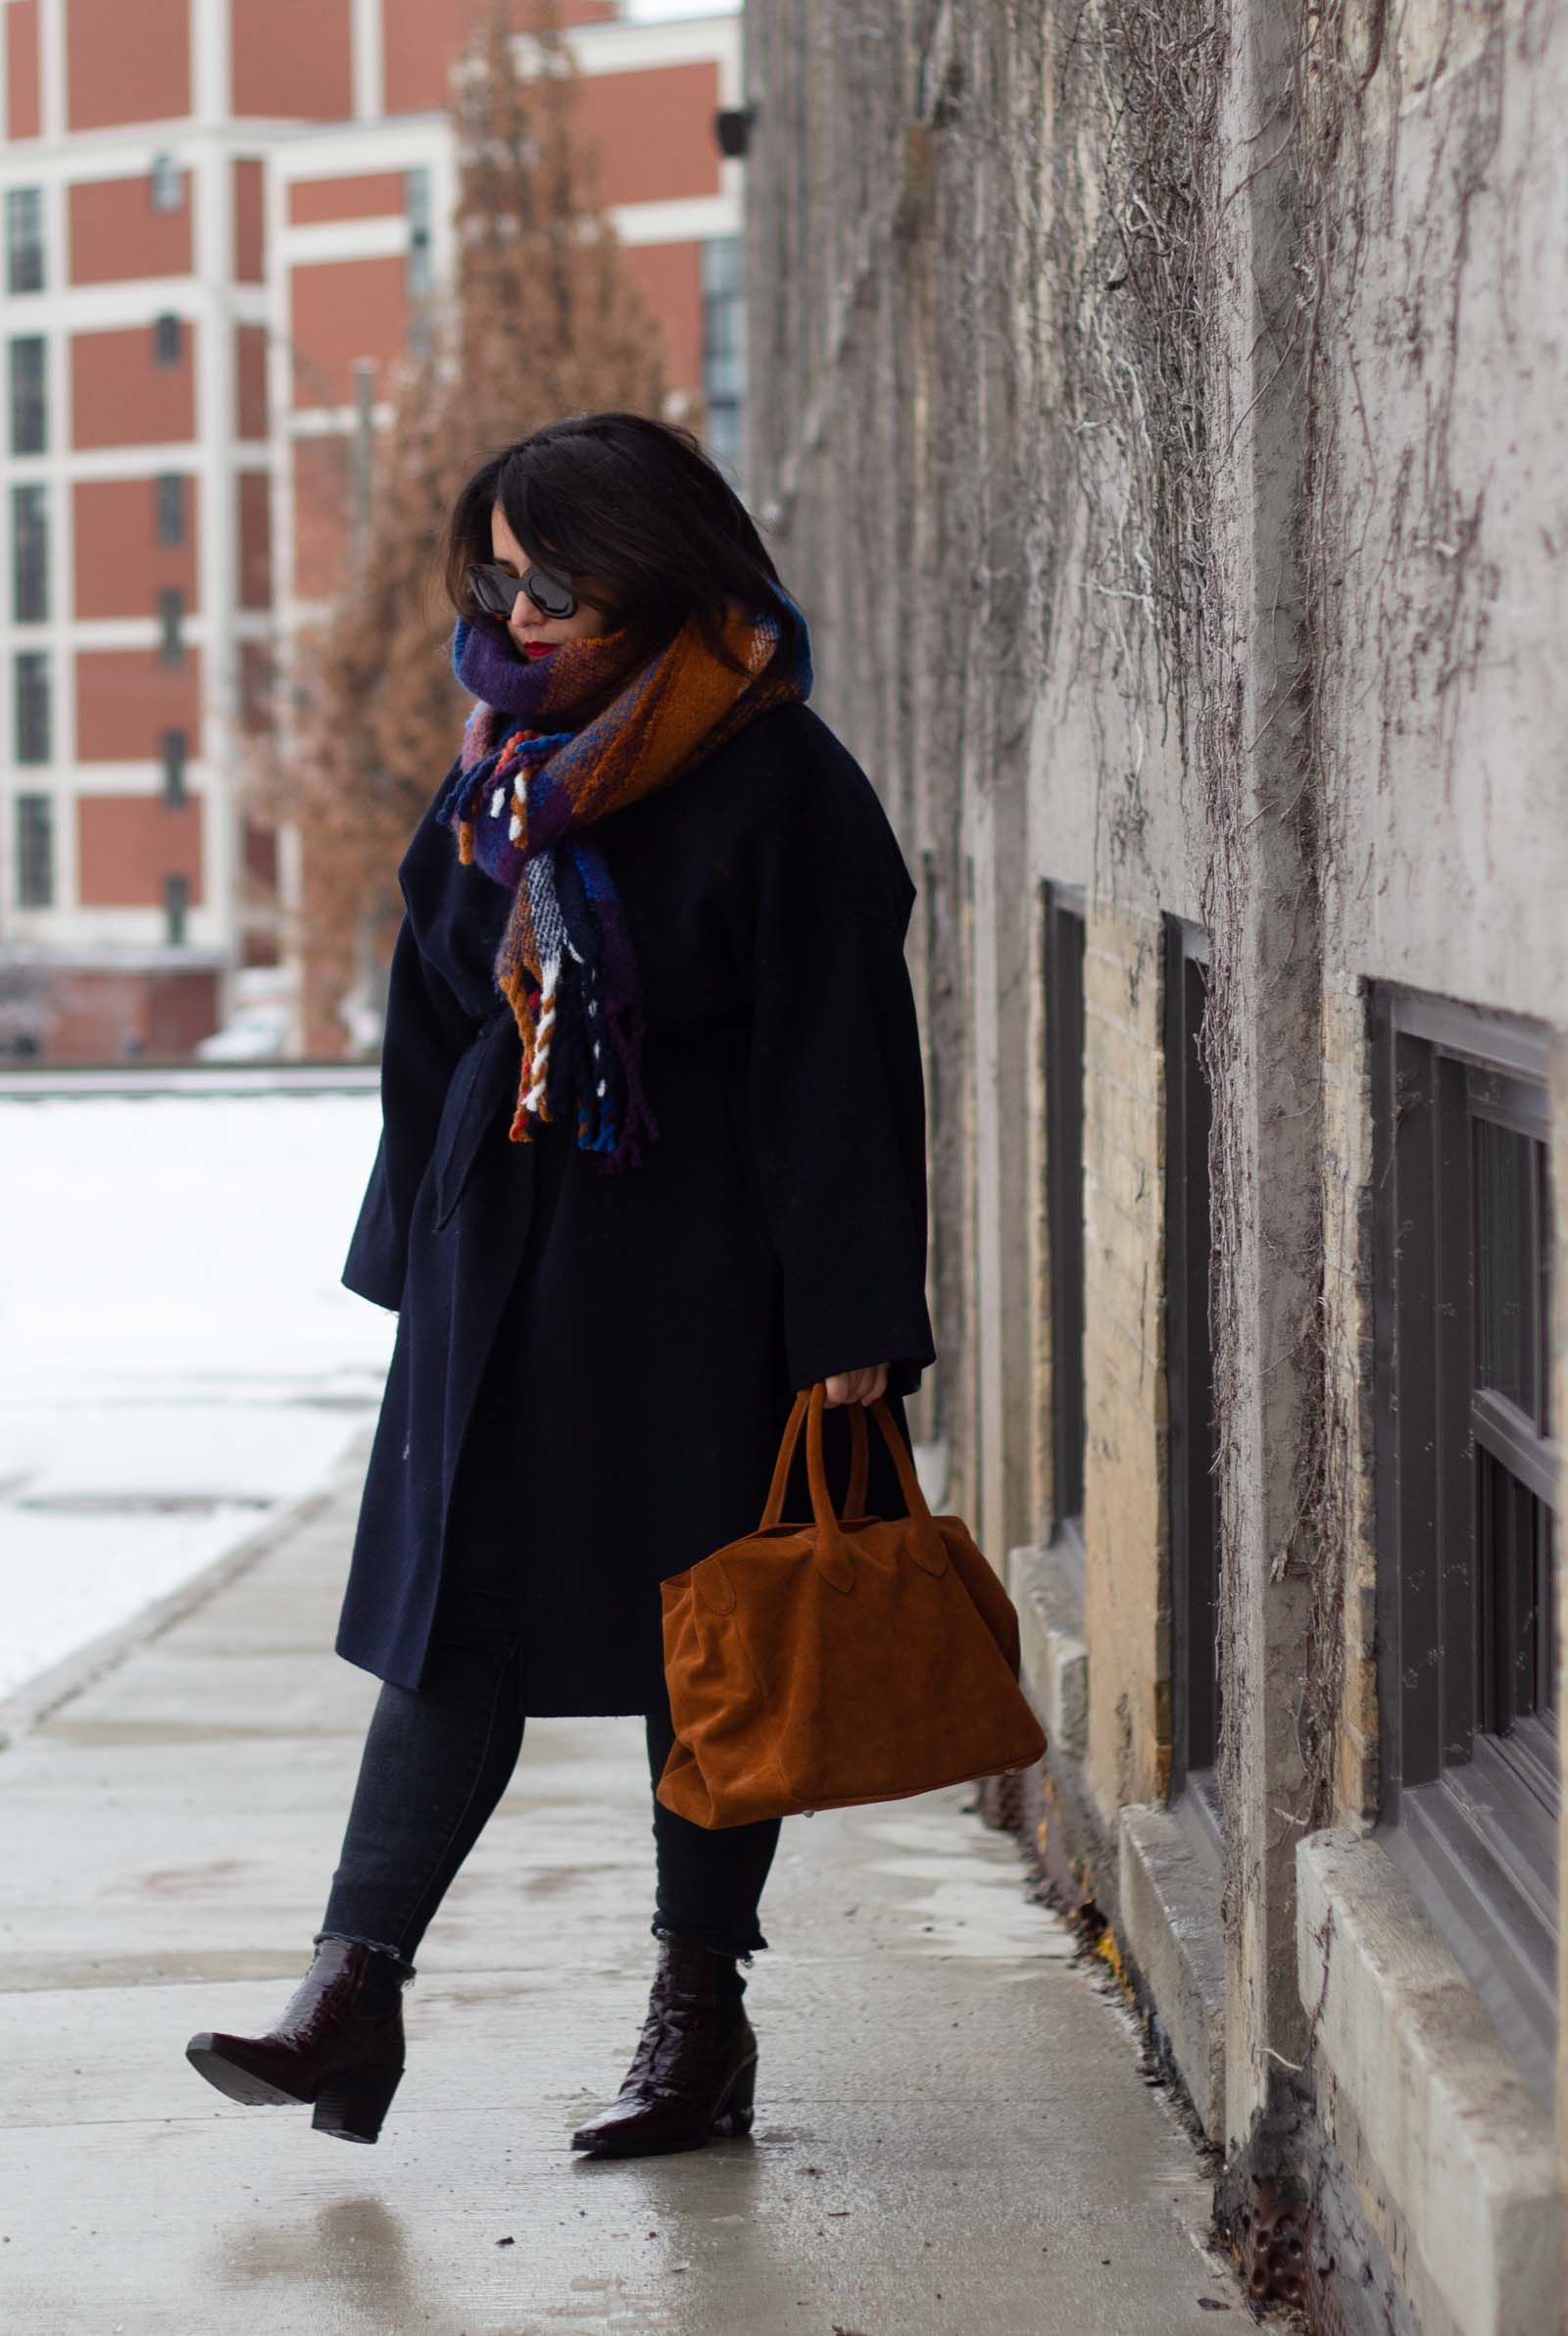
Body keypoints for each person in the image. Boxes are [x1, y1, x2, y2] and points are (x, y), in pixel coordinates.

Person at [183, 412, 936, 2159]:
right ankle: (347, 2000)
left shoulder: (779, 780)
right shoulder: (502, 770)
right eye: (495, 579)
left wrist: (850, 1328)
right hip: (503, 1277)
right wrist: (412, 1250)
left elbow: (842, 1066)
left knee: (710, 1649)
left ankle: (699, 2021)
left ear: (662, 584)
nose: (511, 618)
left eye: (552, 586)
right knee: (455, 1623)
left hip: (694, 1290)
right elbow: (435, 1016)